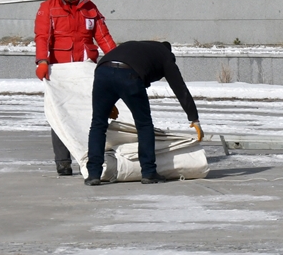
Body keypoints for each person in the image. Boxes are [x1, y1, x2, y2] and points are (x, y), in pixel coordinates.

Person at [34, 0, 117, 175]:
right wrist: (42, 61)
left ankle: (92, 158)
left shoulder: (90, 7)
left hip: (85, 69)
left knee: (92, 113)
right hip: (60, 71)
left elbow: (103, 36)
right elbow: (42, 36)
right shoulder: (48, 8)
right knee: (60, 114)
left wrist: (117, 59)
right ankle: (63, 162)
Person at [85, 41, 202, 186]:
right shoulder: (166, 56)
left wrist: (109, 101)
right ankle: (148, 172)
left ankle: (93, 174)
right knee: (144, 125)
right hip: (129, 75)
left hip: (102, 71)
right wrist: (194, 117)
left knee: (98, 124)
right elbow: (180, 88)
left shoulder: (139, 47)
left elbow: (114, 69)